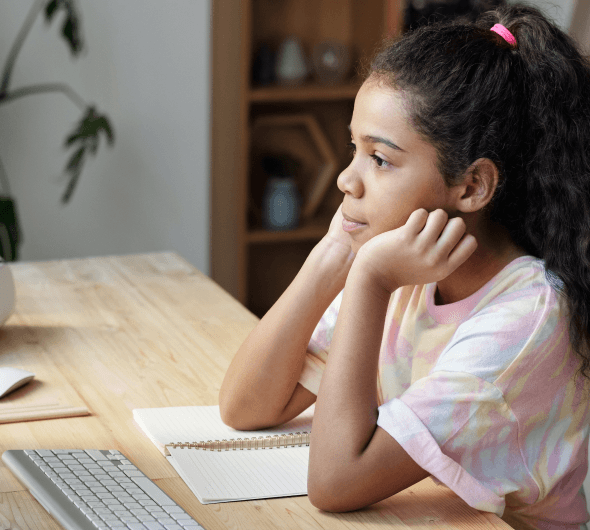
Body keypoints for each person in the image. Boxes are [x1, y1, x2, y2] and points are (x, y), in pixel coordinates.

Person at [219, 4, 590, 529]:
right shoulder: (407, 267)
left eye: (381, 159)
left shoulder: (526, 320)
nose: (348, 180)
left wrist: (367, 280)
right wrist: (329, 260)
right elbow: (246, 406)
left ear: (471, 187)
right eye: (354, 147)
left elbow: (334, 482)